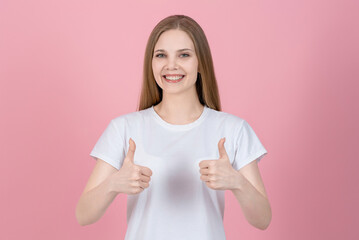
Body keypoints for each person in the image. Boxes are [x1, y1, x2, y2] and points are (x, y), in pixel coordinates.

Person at [76, 14, 271, 239]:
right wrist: (113, 184)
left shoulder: (233, 130)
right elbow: (84, 215)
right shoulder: (124, 129)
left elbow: (262, 220)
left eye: (184, 55)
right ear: (151, 62)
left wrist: (238, 183)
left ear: (201, 63)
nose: (171, 65)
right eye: (161, 55)